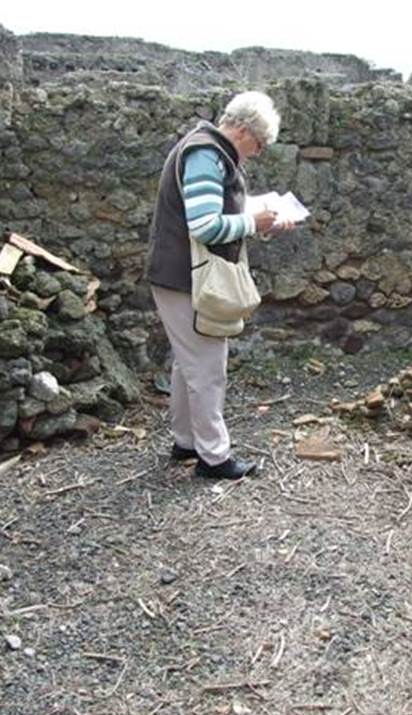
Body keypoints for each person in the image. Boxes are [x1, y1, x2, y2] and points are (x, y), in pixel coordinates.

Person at [147, 91, 291, 480]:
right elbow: (205, 225)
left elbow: (216, 209)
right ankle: (214, 458)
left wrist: (267, 221)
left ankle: (187, 441)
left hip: (178, 274)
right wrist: (253, 223)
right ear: (242, 130)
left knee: (188, 363)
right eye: (258, 144)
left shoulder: (207, 150)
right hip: (186, 277)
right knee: (208, 366)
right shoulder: (207, 156)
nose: (258, 152)